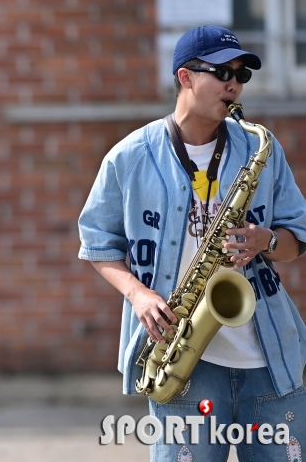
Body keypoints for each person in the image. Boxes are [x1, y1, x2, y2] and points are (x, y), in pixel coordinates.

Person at [78, 26, 306, 460]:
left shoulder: (261, 147)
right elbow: (97, 244)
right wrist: (139, 295)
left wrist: (267, 240)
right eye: (222, 72)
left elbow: (298, 239)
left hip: (270, 361)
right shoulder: (129, 158)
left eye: (242, 75)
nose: (234, 84)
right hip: (183, 362)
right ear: (185, 77)